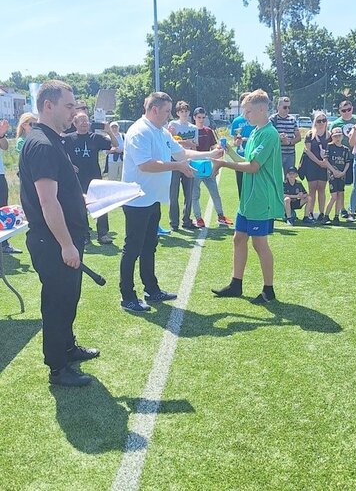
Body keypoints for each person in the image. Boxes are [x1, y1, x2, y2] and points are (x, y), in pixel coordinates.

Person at [18, 80, 99, 387]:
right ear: (48, 106)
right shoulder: (42, 144)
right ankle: (58, 368)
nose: (73, 112)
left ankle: (67, 348)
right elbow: (47, 201)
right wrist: (66, 244)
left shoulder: (52, 140)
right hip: (52, 242)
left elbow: (59, 192)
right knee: (57, 303)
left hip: (62, 238)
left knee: (68, 298)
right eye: (68, 106)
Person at [120, 92, 223, 314]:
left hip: (152, 199)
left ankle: (151, 289)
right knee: (133, 248)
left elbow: (181, 153)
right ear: (154, 109)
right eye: (167, 111)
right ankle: (127, 296)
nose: (169, 116)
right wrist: (177, 166)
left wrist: (210, 154)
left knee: (149, 246)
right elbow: (145, 165)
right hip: (136, 200)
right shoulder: (139, 131)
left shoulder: (161, 131)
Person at [211, 89, 284, 304]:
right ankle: (236, 284)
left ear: (262, 110)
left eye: (248, 111)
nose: (245, 116)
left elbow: (253, 167)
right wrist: (229, 151)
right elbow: (245, 160)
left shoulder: (269, 134)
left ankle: (268, 290)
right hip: (248, 198)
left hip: (261, 198)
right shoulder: (255, 132)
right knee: (239, 238)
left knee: (259, 244)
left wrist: (223, 164)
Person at [64, 112, 118, 245]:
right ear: (75, 123)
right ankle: (84, 235)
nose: (84, 123)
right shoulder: (69, 139)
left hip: (95, 178)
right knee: (80, 208)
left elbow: (115, 144)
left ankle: (103, 234)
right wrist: (69, 165)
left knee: (101, 205)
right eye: (81, 121)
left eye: (86, 120)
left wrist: (109, 131)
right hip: (77, 179)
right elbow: (58, 152)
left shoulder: (95, 138)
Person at [191, 107, 233, 228]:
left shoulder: (208, 131)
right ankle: (198, 218)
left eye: (203, 117)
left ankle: (221, 216)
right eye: (199, 117)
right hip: (194, 167)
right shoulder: (191, 130)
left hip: (208, 166)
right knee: (195, 195)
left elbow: (213, 146)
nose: (201, 120)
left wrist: (219, 147)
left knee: (215, 193)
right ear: (194, 118)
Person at [167, 100, 198, 231]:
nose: (184, 113)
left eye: (186, 111)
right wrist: (186, 142)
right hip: (174, 162)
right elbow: (170, 142)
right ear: (178, 113)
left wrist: (182, 141)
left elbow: (195, 145)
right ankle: (174, 223)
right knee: (173, 194)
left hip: (188, 162)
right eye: (181, 111)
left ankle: (187, 220)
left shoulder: (193, 128)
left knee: (188, 194)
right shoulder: (173, 124)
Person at [329, 100, 356, 216]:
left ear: (352, 109)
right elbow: (330, 140)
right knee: (341, 185)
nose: (346, 112)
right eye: (344, 110)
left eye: (349, 109)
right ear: (340, 111)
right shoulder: (335, 124)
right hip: (340, 159)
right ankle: (342, 208)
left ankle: (353, 207)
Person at [0, 119, 22, 255]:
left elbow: (5, 146)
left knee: (2, 208)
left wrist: (1, 134)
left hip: (0, 175)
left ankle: (4, 244)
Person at [303, 112, 329, 221]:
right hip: (311, 165)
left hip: (324, 165)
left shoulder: (329, 135)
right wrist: (319, 162)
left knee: (322, 189)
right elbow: (307, 151)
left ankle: (322, 213)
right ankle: (310, 212)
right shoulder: (310, 134)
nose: (321, 123)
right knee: (312, 189)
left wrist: (325, 162)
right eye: (319, 121)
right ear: (315, 122)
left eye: (324, 120)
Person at [322, 127, 351, 225]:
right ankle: (326, 216)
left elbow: (347, 162)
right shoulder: (330, 146)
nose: (337, 138)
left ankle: (336, 216)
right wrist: (333, 171)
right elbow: (325, 160)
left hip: (341, 175)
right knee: (333, 196)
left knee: (340, 195)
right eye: (335, 136)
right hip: (332, 175)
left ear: (342, 136)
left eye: (339, 136)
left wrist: (343, 172)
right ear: (332, 137)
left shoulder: (345, 149)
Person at [230, 92, 255, 197]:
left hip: (253, 157)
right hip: (240, 157)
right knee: (241, 188)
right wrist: (237, 143)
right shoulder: (237, 121)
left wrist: (247, 139)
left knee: (254, 188)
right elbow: (235, 141)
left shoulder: (256, 119)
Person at [269, 96, 301, 176]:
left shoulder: (292, 119)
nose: (287, 109)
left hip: (290, 154)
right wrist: (279, 138)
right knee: (275, 176)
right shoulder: (272, 119)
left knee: (290, 177)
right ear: (278, 107)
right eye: (285, 107)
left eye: (289, 107)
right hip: (276, 154)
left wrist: (289, 142)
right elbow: (269, 137)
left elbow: (298, 137)